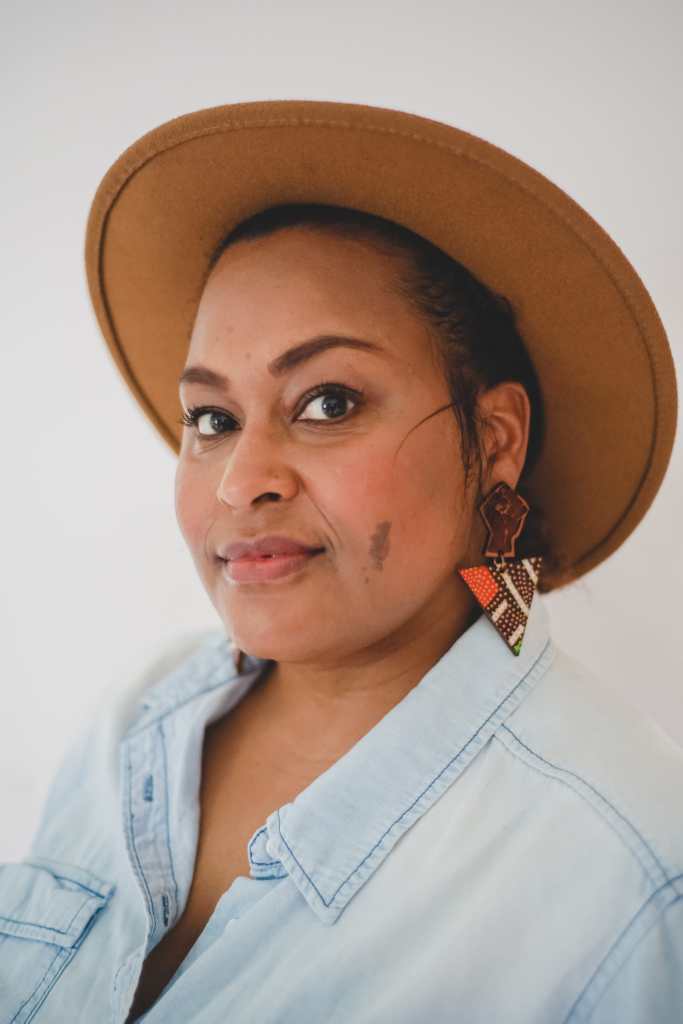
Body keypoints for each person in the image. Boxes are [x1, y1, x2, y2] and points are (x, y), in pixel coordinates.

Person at [1, 99, 681, 1023]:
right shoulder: (141, 718)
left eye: (326, 402)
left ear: (495, 436)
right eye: (211, 418)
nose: (241, 482)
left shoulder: (625, 870)